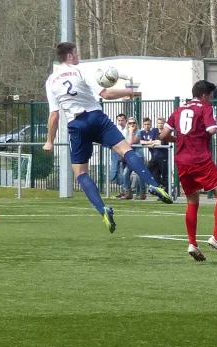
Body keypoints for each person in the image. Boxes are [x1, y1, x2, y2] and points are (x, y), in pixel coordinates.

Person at [43, 42, 172, 233]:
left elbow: (54, 115)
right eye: (76, 52)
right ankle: (154, 185)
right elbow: (106, 93)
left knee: (80, 173)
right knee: (126, 150)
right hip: (96, 117)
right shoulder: (81, 70)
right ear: (69, 56)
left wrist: (49, 140)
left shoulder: (51, 80)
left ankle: (102, 209)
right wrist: (130, 91)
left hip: (77, 125)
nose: (78, 55)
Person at [160, 80, 217, 260]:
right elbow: (213, 129)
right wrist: (208, 129)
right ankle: (216, 237)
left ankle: (193, 244)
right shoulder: (204, 108)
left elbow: (163, 135)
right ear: (205, 95)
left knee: (192, 200)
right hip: (200, 159)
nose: (212, 100)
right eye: (212, 97)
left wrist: (181, 140)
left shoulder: (179, 109)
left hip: (182, 161)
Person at [111, 113, 127, 199]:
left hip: (124, 151)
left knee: (123, 172)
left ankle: (125, 190)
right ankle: (123, 189)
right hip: (115, 151)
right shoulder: (115, 128)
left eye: (122, 120)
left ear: (125, 120)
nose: (120, 122)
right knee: (115, 172)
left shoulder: (127, 129)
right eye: (119, 120)